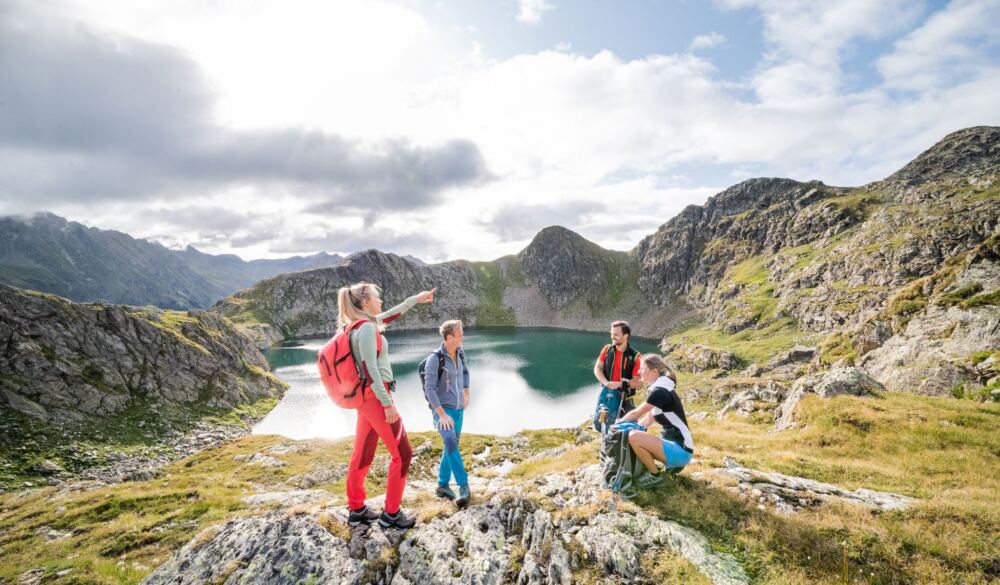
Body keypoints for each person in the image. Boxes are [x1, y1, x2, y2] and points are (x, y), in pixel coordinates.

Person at [339, 282, 435, 530]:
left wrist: (416, 299)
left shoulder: (358, 326)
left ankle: (357, 509)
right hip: (376, 396)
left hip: (365, 399)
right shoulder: (367, 329)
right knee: (403, 453)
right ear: (365, 302)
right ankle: (391, 514)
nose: (380, 301)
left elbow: (390, 314)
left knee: (363, 452)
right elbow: (370, 370)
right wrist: (387, 404)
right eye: (376, 297)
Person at [618, 354, 694, 488]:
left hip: (681, 452)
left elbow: (636, 413)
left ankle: (654, 476)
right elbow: (648, 419)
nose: (639, 372)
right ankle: (662, 467)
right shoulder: (661, 388)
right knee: (634, 435)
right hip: (677, 448)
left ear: (654, 371)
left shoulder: (660, 391)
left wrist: (616, 426)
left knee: (634, 437)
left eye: (642, 368)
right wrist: (631, 428)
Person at [422, 320, 472, 507]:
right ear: (449, 337)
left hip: (458, 409)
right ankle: (463, 484)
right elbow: (429, 389)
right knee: (450, 440)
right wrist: (442, 414)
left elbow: (465, 373)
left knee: (451, 444)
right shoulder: (435, 359)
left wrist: (466, 393)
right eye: (460, 333)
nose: (463, 336)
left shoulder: (460, 352)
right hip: (443, 411)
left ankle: (442, 485)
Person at [592, 320, 642, 430]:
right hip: (607, 395)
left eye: (616, 334)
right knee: (603, 426)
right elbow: (597, 368)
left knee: (626, 431)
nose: (612, 337)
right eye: (611, 334)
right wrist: (606, 383)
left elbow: (638, 383)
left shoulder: (636, 356)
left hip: (625, 399)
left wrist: (619, 384)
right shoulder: (607, 349)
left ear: (625, 336)